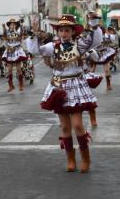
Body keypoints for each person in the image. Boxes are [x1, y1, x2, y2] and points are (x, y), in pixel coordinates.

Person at [39, 15, 102, 173]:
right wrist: (35, 35)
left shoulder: (80, 45)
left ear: (73, 32)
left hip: (76, 87)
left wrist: (94, 24)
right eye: (61, 30)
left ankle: (85, 158)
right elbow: (36, 50)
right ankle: (71, 158)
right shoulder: (53, 46)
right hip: (59, 87)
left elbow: (95, 40)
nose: (64, 33)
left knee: (78, 125)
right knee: (65, 128)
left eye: (67, 30)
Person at [88, 13, 116, 91]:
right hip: (94, 51)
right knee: (92, 69)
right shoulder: (90, 31)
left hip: (103, 52)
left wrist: (107, 35)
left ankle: (108, 84)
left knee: (106, 69)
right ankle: (89, 84)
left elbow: (112, 38)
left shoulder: (104, 33)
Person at [2, 18, 28, 92]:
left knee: (18, 69)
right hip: (9, 51)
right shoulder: (6, 32)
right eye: (11, 24)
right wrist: (3, 28)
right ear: (9, 25)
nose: (12, 25)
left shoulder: (18, 32)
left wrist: (22, 27)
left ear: (16, 25)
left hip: (17, 51)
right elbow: (5, 40)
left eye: (14, 24)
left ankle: (21, 84)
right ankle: (11, 85)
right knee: (9, 69)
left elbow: (21, 38)